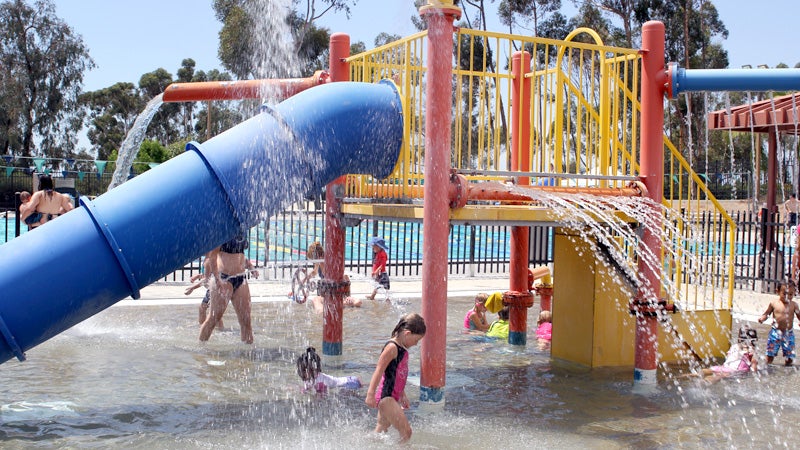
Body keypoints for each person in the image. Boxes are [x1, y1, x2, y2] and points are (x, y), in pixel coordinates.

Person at [365, 313, 426, 443]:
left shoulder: (401, 348)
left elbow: (397, 374)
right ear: (407, 334)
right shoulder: (392, 348)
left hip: (392, 396)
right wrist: (370, 394)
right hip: (386, 397)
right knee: (406, 432)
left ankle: (360, 444)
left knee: (380, 431)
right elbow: (379, 370)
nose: (416, 344)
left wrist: (402, 394)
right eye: (416, 340)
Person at [199, 233, 259, 344]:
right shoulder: (223, 229)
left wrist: (251, 267)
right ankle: (201, 348)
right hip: (224, 279)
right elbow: (212, 257)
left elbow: (241, 255)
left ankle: (247, 354)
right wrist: (217, 280)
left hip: (240, 278)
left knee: (246, 321)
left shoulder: (241, 229)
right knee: (213, 319)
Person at [682, 326, 758, 383]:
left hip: (722, 367)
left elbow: (728, 356)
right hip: (734, 371)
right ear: (754, 340)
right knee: (719, 376)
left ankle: (679, 377)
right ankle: (701, 384)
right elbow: (753, 368)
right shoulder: (751, 351)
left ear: (739, 338)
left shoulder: (735, 346)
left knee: (701, 372)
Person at [758, 280, 800, 366]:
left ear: (794, 293)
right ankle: (767, 368)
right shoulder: (774, 304)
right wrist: (763, 318)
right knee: (770, 355)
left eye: (790, 294)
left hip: (788, 334)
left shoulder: (794, 305)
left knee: (790, 357)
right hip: (775, 333)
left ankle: (787, 369)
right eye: (784, 294)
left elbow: (799, 315)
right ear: (778, 291)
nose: (787, 297)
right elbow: (767, 313)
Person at [185, 250, 224, 330]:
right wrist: (197, 276)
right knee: (213, 311)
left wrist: (192, 288)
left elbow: (206, 279)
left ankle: (204, 328)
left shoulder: (209, 260)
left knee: (205, 309)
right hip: (215, 287)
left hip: (215, 288)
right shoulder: (209, 258)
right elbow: (208, 275)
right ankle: (217, 329)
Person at [296, 347, 362, 394]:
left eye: (310, 370)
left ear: (316, 368)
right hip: (350, 380)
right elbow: (308, 387)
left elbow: (323, 395)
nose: (307, 373)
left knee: (343, 396)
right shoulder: (311, 378)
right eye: (304, 371)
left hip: (349, 384)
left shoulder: (320, 382)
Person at [366, 236, 390, 301]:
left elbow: (383, 264)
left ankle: (388, 298)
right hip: (378, 273)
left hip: (382, 273)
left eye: (374, 247)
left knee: (385, 286)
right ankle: (372, 296)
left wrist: (376, 271)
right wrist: (374, 271)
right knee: (376, 285)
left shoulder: (383, 254)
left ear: (379, 247)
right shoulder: (379, 253)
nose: (373, 248)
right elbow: (376, 263)